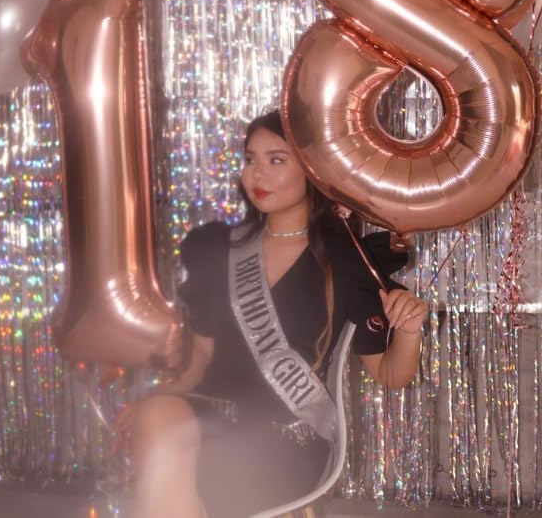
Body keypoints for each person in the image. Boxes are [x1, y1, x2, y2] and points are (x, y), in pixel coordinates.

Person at [119, 110, 427, 518]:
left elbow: (390, 374)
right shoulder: (219, 250)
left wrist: (409, 330)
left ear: (313, 171)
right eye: (250, 160)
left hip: (287, 435)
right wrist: (156, 399)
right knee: (157, 418)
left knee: (197, 461)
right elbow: (201, 358)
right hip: (219, 416)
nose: (256, 174)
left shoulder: (345, 261)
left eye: (276, 160)